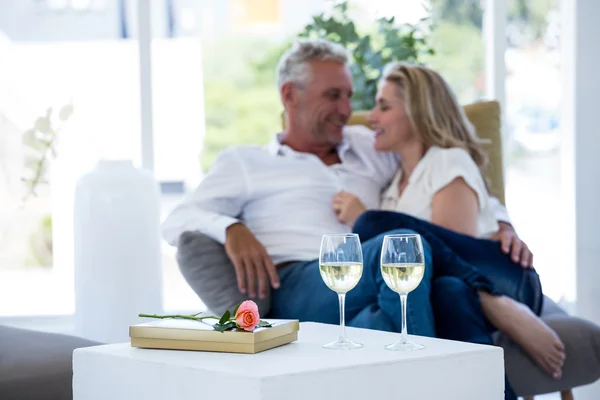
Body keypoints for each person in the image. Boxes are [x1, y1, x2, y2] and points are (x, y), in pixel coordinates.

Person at [161, 38, 532, 356]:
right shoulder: (246, 162)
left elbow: (437, 164)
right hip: (301, 281)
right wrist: (230, 229)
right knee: (399, 247)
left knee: (391, 313)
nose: (346, 111)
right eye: (333, 96)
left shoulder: (368, 147)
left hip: (373, 285)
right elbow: (175, 220)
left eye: (349, 96)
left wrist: (499, 220)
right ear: (290, 94)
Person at [330, 62, 564, 397]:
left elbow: (448, 254)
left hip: (507, 280)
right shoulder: (394, 185)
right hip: (459, 287)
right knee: (447, 291)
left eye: (384, 107)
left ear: (417, 112)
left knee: (375, 226)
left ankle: (501, 306)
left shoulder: (448, 161)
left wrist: (363, 217)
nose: (371, 119)